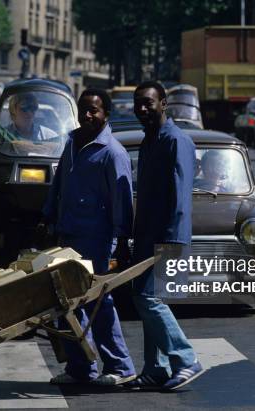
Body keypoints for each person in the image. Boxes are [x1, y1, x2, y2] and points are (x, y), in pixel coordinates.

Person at [41, 88, 136, 386]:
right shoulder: (71, 142)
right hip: (68, 234)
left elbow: (123, 200)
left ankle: (121, 367)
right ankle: (80, 369)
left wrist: (122, 241)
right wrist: (47, 217)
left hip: (97, 240)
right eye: (83, 109)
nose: (87, 115)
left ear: (106, 113)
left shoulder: (113, 152)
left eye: (94, 110)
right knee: (65, 303)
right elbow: (59, 183)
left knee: (98, 304)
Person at [125, 81, 203, 391]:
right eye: (138, 103)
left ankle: (185, 359)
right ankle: (154, 368)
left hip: (167, 236)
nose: (142, 109)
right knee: (144, 298)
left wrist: (172, 238)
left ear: (163, 103)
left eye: (148, 102)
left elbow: (180, 193)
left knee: (148, 298)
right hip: (146, 235)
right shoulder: (150, 140)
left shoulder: (175, 140)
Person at [0, 92, 58, 187]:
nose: (30, 113)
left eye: (33, 108)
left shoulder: (49, 136)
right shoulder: (2, 136)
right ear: (13, 110)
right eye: (24, 108)